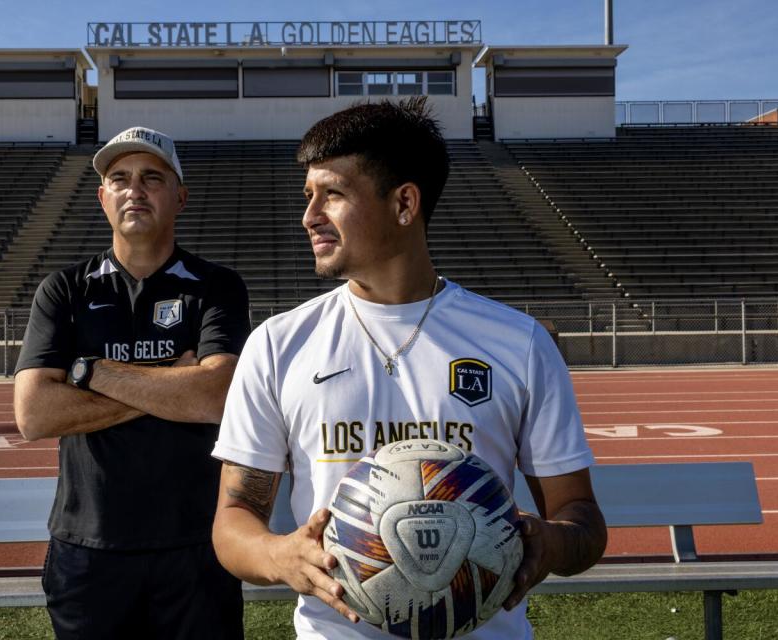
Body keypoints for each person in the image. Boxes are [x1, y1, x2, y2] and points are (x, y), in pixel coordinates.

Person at [211, 98, 607, 639]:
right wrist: (281, 555)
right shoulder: (278, 345)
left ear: (404, 203)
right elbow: (233, 519)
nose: (309, 216)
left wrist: (550, 543)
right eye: (308, 196)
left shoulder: (519, 343)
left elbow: (580, 517)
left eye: (332, 194)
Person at [13, 125, 250, 640]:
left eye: (151, 178)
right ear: (103, 198)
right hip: (88, 549)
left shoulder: (217, 287)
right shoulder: (64, 290)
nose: (134, 189)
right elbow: (35, 414)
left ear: (180, 197)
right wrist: (172, 382)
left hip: (195, 546)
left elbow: (217, 397)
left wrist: (90, 372)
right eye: (119, 178)